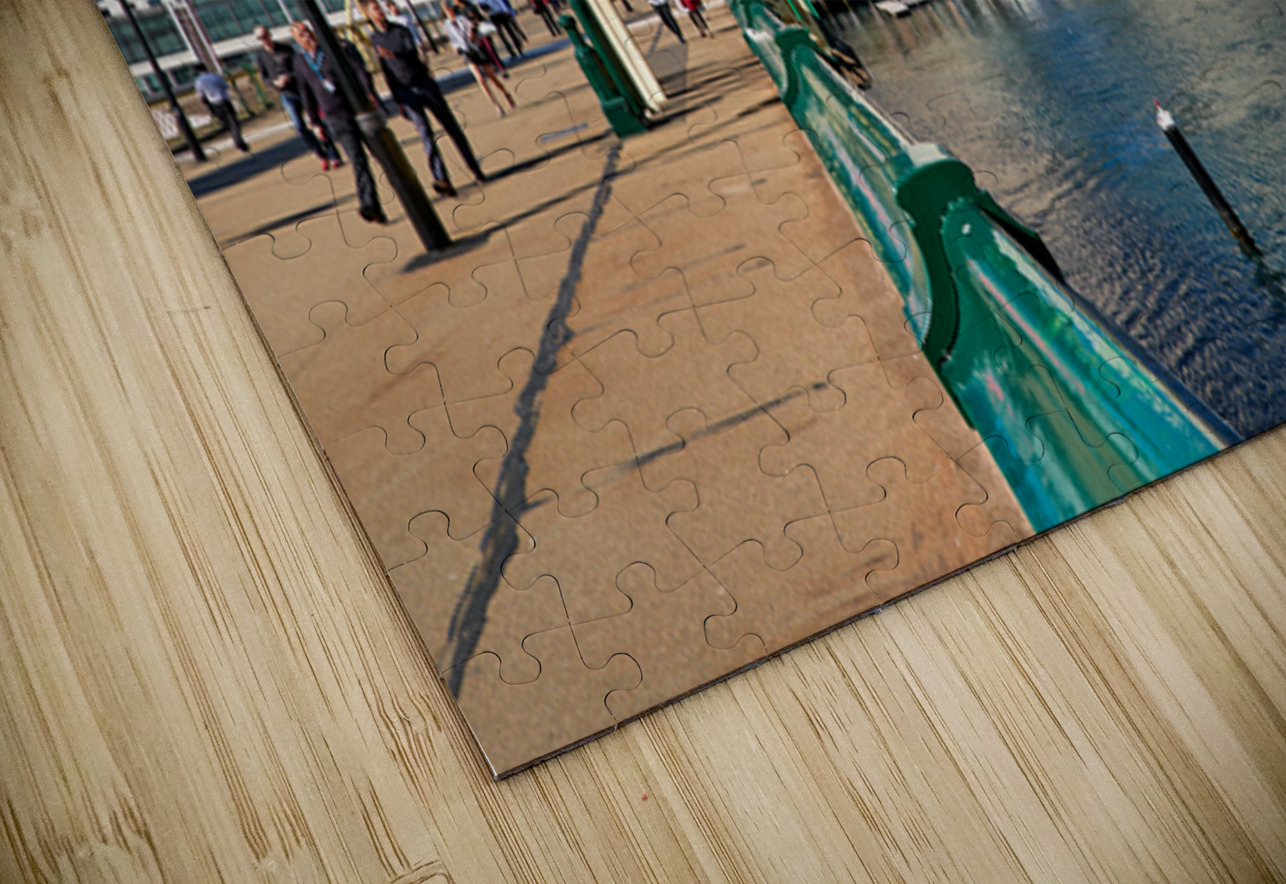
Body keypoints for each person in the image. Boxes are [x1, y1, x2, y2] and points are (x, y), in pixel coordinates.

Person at [361, 0, 486, 193]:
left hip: (423, 82)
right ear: (369, 15)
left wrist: (394, 54)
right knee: (425, 133)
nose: (381, 12)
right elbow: (387, 71)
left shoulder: (400, 30)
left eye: (382, 9)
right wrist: (398, 100)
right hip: (406, 91)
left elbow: (411, 50)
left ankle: (474, 167)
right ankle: (441, 178)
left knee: (450, 126)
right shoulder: (375, 39)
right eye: (377, 10)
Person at [290, 20, 388, 224]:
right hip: (335, 118)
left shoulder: (330, 50)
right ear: (296, 39)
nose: (306, 35)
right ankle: (370, 205)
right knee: (358, 161)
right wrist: (315, 123)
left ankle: (408, 192)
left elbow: (359, 70)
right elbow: (305, 93)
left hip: (356, 109)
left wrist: (368, 92)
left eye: (307, 31)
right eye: (301, 34)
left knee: (383, 154)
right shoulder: (299, 61)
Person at [253, 25, 342, 170]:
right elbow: (264, 77)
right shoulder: (260, 55)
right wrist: (275, 82)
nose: (264, 40)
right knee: (300, 126)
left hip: (301, 90)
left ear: (270, 34)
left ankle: (333, 155)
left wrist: (290, 77)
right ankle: (320, 153)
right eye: (260, 38)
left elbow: (300, 67)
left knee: (317, 122)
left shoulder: (285, 49)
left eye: (265, 36)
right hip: (286, 94)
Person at [442, 3, 515, 117]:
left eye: (449, 9)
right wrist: (456, 48)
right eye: (446, 10)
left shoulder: (462, 19)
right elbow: (452, 39)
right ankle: (497, 106)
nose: (449, 11)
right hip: (467, 53)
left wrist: (472, 33)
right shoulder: (447, 24)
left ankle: (505, 94)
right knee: (481, 80)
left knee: (492, 77)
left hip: (477, 49)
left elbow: (473, 27)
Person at [193, 64, 251, 152]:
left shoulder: (199, 82)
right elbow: (226, 87)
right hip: (224, 100)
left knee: (226, 123)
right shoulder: (215, 76)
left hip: (214, 104)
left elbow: (202, 96)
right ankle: (238, 140)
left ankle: (236, 139)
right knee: (233, 121)